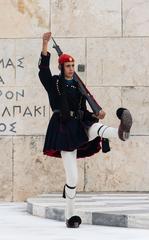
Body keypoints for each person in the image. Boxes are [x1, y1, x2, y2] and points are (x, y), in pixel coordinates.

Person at [38, 32, 133, 228]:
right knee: (73, 178)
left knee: (97, 128)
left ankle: (121, 132)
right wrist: (45, 43)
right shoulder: (54, 83)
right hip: (63, 129)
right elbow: (43, 70)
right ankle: (70, 216)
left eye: (73, 66)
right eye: (68, 66)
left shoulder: (79, 86)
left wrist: (95, 114)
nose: (71, 69)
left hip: (81, 125)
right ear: (62, 67)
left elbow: (83, 109)